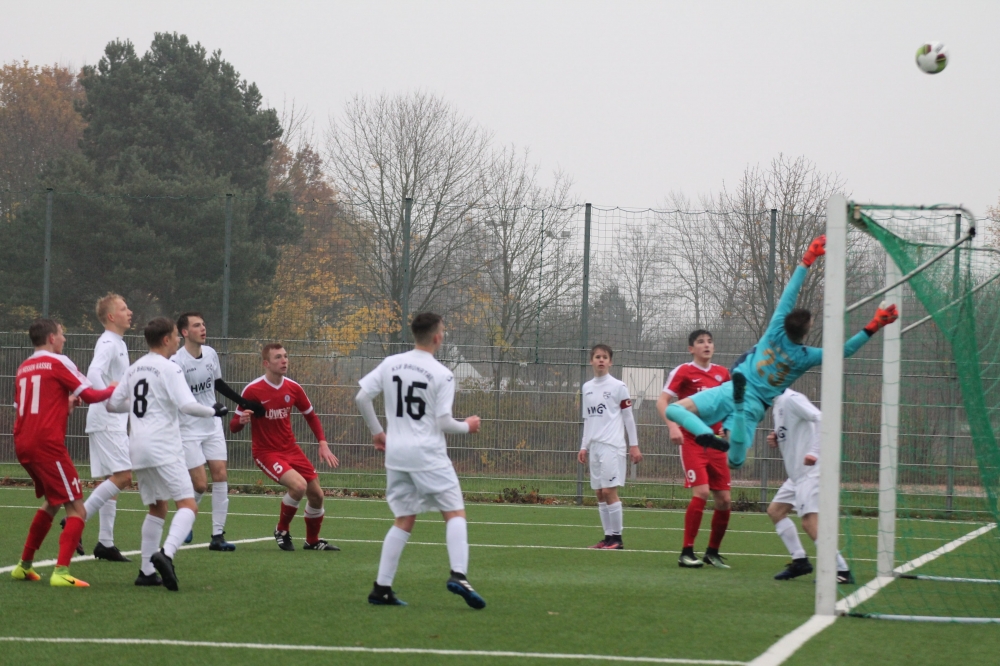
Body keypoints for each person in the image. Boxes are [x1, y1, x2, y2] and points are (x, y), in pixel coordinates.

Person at [666, 235, 899, 468]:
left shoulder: (775, 328)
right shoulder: (806, 357)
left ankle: (704, 432)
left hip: (730, 388)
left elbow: (790, 293)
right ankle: (735, 413)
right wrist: (874, 325)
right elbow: (844, 351)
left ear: (786, 322)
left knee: (674, 410)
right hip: (753, 404)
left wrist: (807, 260)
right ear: (805, 333)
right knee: (735, 462)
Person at [356, 312, 485, 609]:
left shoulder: (391, 363)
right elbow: (443, 422)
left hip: (396, 453)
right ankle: (459, 574)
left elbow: (362, 398)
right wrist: (467, 426)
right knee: (454, 512)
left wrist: (377, 432)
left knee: (404, 518)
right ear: (437, 337)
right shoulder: (442, 374)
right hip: (427, 454)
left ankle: (381, 588)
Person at [106, 317, 228, 591]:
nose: (177, 341)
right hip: (163, 446)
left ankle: (146, 572)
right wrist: (213, 410)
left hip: (137, 447)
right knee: (188, 505)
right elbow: (187, 405)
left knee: (158, 507)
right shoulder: (170, 368)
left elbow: (112, 405)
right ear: (165, 340)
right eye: (175, 336)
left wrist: (141, 406)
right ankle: (167, 554)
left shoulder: (135, 367)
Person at [10, 318, 117, 587]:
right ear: (51, 338)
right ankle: (61, 571)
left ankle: (24, 566)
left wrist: (64, 404)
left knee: (53, 501)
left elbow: (26, 408)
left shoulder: (23, 367)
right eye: (61, 334)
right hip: (47, 445)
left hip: (23, 442)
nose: (64, 339)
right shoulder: (59, 362)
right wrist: (113, 388)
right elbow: (91, 395)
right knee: (77, 509)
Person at [231, 343, 340, 551]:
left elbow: (310, 415)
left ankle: (312, 541)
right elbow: (233, 426)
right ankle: (281, 530)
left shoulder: (293, 387)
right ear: (266, 363)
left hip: (291, 449)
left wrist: (323, 443)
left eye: (286, 356)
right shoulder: (253, 390)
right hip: (266, 453)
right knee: (298, 486)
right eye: (278, 357)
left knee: (317, 495)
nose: (284, 361)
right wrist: (241, 421)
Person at [172, 312, 264, 551]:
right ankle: (186, 515)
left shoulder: (211, 353)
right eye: (196, 325)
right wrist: (209, 410)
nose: (203, 328)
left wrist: (244, 402)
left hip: (212, 425)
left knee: (221, 475)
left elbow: (218, 384)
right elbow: (180, 400)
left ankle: (217, 536)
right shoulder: (176, 362)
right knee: (200, 485)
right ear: (184, 332)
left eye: (203, 324)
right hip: (188, 428)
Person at [658, 330, 732, 568]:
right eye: (700, 342)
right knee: (701, 492)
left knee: (724, 500)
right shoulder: (684, 371)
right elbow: (662, 401)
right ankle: (686, 552)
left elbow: (730, 404)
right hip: (693, 442)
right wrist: (673, 427)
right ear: (691, 349)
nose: (706, 345)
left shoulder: (723, 374)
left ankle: (712, 552)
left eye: (710, 341)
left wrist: (728, 429)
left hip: (716, 443)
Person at [766, 389, 853, 584]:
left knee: (809, 522)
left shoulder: (792, 399)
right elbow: (796, 430)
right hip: (796, 475)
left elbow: (821, 418)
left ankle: (841, 570)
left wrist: (814, 451)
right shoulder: (777, 403)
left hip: (811, 472)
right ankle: (800, 561)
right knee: (776, 511)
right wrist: (776, 437)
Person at [79, 293, 134, 562]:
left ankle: (105, 543)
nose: (129, 312)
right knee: (123, 477)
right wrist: (107, 400)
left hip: (111, 421)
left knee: (113, 479)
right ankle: (78, 520)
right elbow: (93, 373)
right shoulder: (109, 342)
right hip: (107, 421)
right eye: (123, 309)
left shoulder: (118, 342)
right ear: (111, 316)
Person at [578, 344, 642, 550]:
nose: (601, 360)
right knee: (599, 493)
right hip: (595, 447)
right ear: (591, 361)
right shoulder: (587, 387)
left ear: (610, 362)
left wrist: (634, 445)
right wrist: (584, 446)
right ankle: (607, 537)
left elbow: (628, 417)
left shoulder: (618, 386)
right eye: (597, 357)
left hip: (612, 446)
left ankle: (618, 539)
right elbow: (588, 419)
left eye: (605, 357)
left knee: (608, 491)